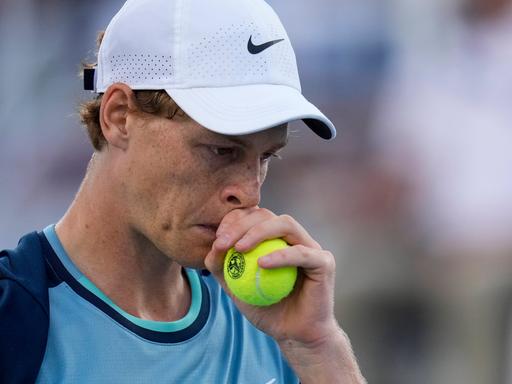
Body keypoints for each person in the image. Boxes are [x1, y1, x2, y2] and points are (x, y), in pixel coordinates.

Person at [0, 0, 365, 382]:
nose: (249, 193)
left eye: (265, 156)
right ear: (119, 116)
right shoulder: (14, 320)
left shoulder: (280, 328)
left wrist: (320, 349)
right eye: (221, 150)